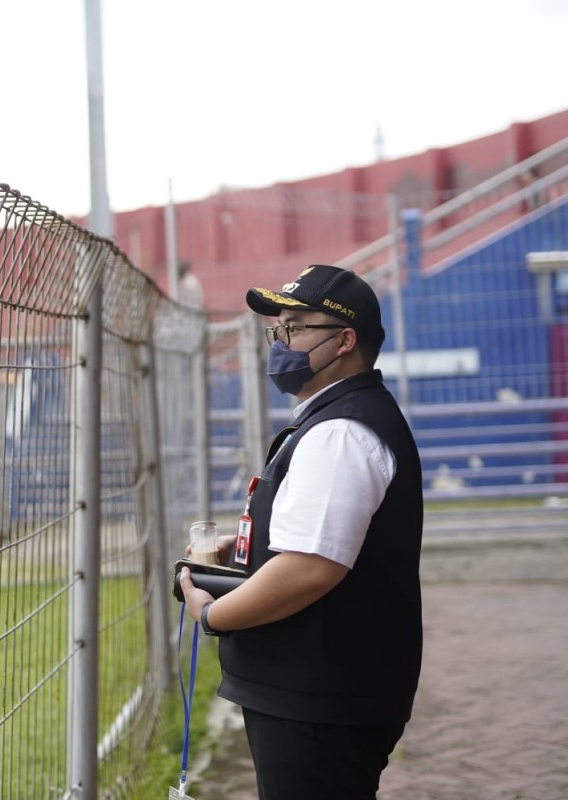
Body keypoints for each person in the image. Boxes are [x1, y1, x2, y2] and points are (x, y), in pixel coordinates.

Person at [179, 264, 423, 800]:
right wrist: (248, 551)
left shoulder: (340, 432)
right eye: (277, 330)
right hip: (316, 691)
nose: (280, 343)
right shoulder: (334, 419)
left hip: (320, 698)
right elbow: (315, 545)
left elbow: (311, 568)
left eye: (295, 328)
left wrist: (213, 614)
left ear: (344, 340)